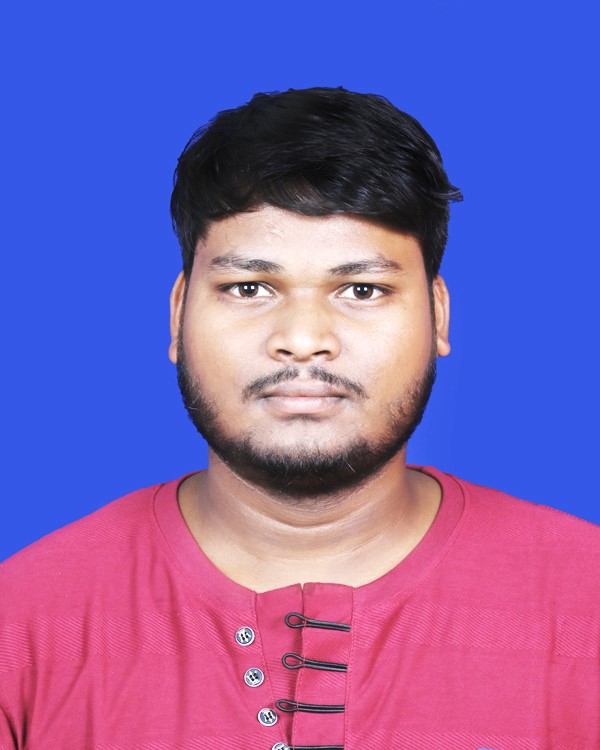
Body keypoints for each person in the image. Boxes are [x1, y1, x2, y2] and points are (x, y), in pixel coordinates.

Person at [1, 87, 598, 750]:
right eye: (249, 288)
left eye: (362, 289)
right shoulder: (21, 625)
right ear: (178, 313)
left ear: (438, 315)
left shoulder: (587, 605)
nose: (304, 339)